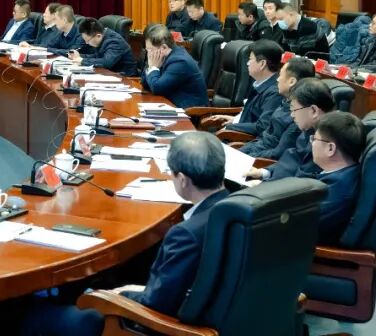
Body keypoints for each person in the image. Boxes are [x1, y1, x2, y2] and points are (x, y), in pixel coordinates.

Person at [20, 132, 230, 336]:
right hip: (212, 311)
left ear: (182, 180)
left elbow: (157, 304)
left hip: (157, 324)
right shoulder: (233, 213)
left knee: (33, 315)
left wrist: (119, 294)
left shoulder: (186, 235)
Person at [247, 77, 334, 182]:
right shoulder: (309, 129)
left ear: (314, 110)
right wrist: (264, 172)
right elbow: (293, 161)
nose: (292, 115)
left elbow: (302, 181)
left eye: (294, 109)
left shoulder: (325, 143)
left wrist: (263, 185)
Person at [200, 39, 282, 133]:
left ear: (262, 64)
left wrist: (231, 127)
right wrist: (234, 120)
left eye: (250, 59)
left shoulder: (274, 93)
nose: (247, 63)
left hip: (245, 139)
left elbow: (262, 127)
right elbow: (250, 117)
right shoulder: (260, 84)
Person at [240, 57, 315, 159]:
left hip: (261, 161)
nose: (277, 79)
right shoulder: (285, 102)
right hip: (256, 149)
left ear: (292, 81)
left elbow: (278, 153)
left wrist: (249, 157)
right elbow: (264, 136)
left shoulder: (298, 116)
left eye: (280, 75)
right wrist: (242, 151)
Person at [310, 111, 364, 245]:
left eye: (314, 139)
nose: (311, 143)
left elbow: (300, 226)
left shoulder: (338, 190)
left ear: (330, 148)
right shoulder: (343, 174)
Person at [141, 23, 208, 109]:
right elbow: (145, 82)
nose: (148, 54)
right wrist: (151, 66)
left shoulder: (180, 62)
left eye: (150, 50)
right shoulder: (163, 57)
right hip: (170, 105)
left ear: (163, 48)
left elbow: (157, 88)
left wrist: (153, 68)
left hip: (190, 112)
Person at [69, 18, 138, 76]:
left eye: (87, 40)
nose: (86, 43)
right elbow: (97, 56)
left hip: (126, 78)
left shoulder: (114, 41)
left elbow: (107, 62)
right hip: (110, 74)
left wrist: (82, 61)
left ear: (98, 36)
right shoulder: (103, 37)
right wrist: (79, 56)